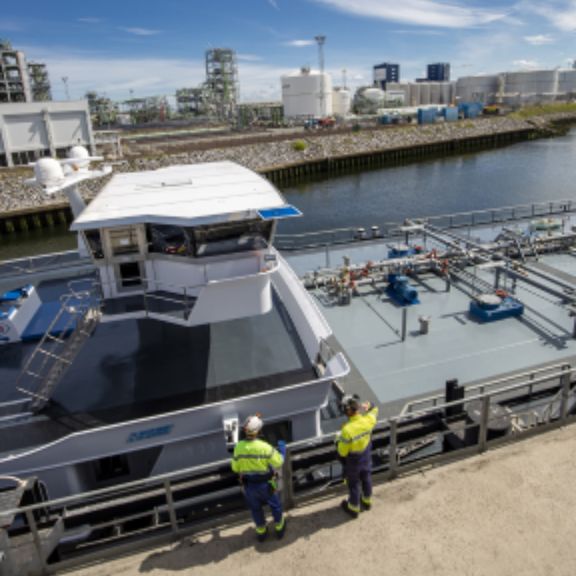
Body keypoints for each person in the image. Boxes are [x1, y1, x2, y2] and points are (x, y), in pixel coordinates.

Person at [231, 414, 287, 541]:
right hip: (266, 485)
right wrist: (282, 449)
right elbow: (278, 462)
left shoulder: (238, 447)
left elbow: (235, 468)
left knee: (255, 509)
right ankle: (279, 528)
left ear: (245, 431)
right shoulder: (264, 447)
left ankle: (261, 531)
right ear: (259, 431)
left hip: (249, 486)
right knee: (275, 506)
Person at [337, 395, 379, 518]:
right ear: (358, 408)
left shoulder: (347, 430)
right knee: (366, 477)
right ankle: (367, 501)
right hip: (366, 456)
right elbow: (374, 409)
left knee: (353, 483)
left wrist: (338, 440)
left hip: (353, 461)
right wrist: (369, 404)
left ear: (347, 411)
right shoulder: (368, 421)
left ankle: (353, 508)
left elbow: (342, 452)